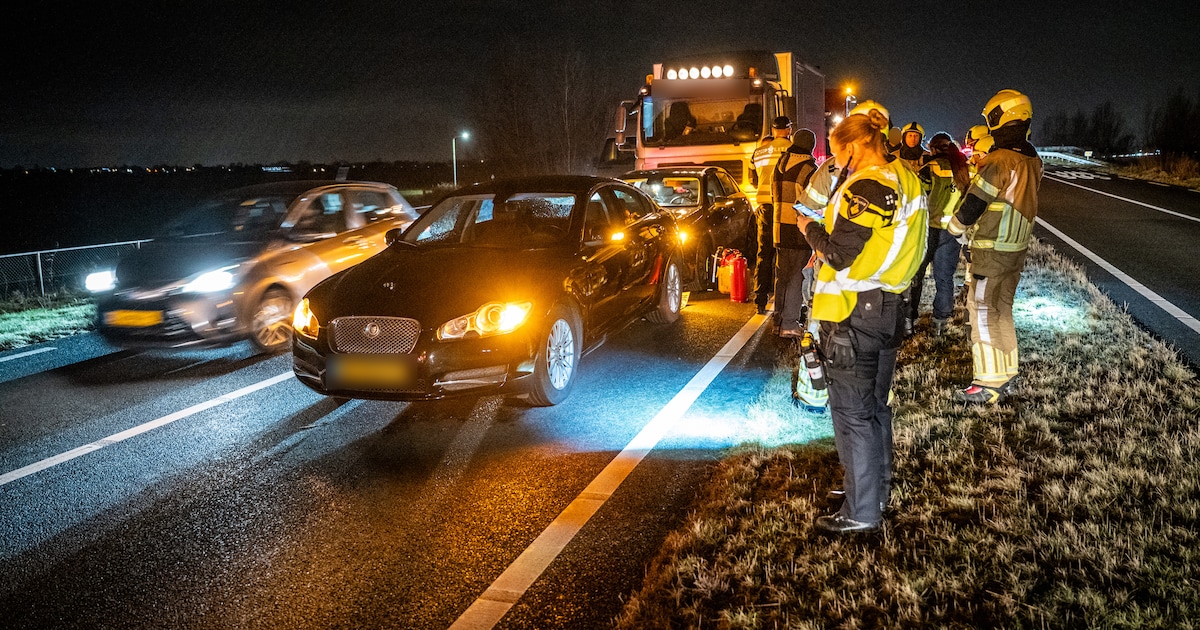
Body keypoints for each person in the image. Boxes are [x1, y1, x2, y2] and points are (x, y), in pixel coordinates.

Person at [796, 107, 927, 535]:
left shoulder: (867, 185)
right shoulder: (905, 177)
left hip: (854, 312)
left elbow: (838, 254)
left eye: (838, 155)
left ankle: (862, 511)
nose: (837, 164)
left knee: (852, 413)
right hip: (888, 306)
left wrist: (808, 228)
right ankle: (872, 489)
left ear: (853, 147)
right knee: (874, 408)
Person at [947, 89, 1043, 404]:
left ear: (998, 118)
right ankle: (1006, 372)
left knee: (983, 312)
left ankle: (987, 382)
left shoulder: (1000, 159)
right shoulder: (1032, 159)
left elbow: (975, 202)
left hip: (991, 251)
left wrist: (955, 228)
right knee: (1002, 311)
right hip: (1016, 250)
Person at [911, 133, 971, 337]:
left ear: (933, 148)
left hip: (929, 229)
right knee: (944, 277)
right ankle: (940, 322)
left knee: (916, 274)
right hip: (953, 229)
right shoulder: (963, 168)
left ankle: (909, 318)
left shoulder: (929, 169)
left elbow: (917, 198)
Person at [771, 127, 819, 336]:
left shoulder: (779, 164)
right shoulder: (808, 169)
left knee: (782, 275)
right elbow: (809, 202)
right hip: (798, 228)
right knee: (796, 276)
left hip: (779, 227)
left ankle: (778, 320)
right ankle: (790, 324)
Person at [750, 115, 793, 314]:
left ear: (773, 131)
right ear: (789, 130)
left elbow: (753, 180)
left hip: (765, 207)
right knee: (784, 252)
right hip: (785, 206)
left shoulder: (758, 152)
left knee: (763, 252)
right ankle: (782, 298)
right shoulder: (792, 150)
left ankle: (760, 299)